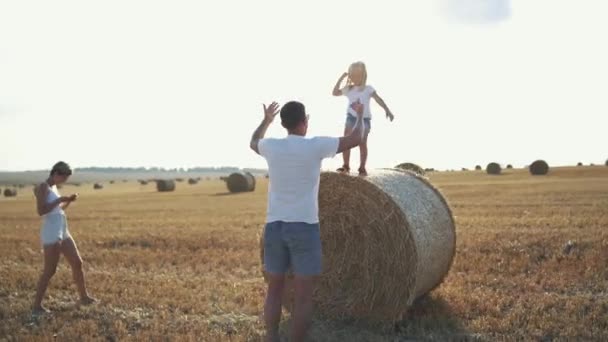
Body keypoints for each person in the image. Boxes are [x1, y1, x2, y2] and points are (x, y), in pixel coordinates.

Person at [250, 100, 365, 342]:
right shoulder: (314, 146)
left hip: (274, 227)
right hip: (304, 227)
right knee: (303, 296)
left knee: (274, 289)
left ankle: (271, 337)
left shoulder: (272, 146)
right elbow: (355, 139)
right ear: (304, 122)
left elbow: (253, 142)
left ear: (283, 123)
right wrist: (359, 115)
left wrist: (266, 121)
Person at [32, 161, 96, 315]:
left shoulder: (53, 187)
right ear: (56, 174)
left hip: (62, 229)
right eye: (64, 177)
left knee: (77, 262)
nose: (65, 181)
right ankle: (36, 307)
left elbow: (55, 209)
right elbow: (41, 211)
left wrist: (67, 201)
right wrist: (60, 200)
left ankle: (84, 297)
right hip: (52, 231)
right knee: (50, 270)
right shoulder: (43, 187)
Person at [332, 61, 395, 176]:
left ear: (363, 75)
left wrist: (387, 110)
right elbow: (334, 93)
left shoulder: (368, 89)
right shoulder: (349, 89)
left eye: (358, 75)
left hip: (364, 120)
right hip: (351, 118)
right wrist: (342, 77)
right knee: (346, 141)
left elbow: (378, 99)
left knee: (362, 142)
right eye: (353, 75)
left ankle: (362, 167)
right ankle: (346, 165)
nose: (356, 78)